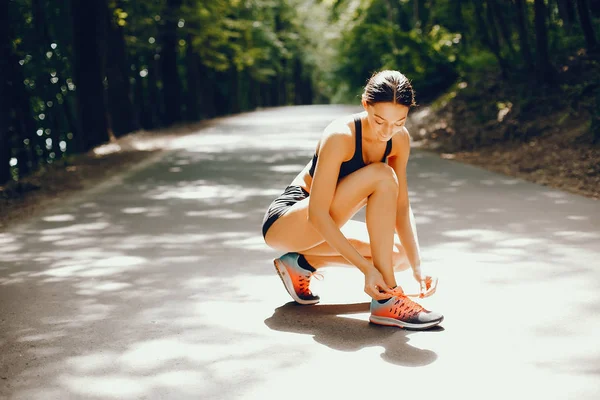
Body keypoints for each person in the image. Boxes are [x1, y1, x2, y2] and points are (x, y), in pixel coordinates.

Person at [261, 70, 443, 330]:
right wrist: (366, 271)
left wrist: (418, 266)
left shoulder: (398, 140)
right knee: (382, 175)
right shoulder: (341, 136)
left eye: (398, 122)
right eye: (379, 121)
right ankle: (387, 300)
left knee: (398, 256)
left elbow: (401, 207)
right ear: (365, 105)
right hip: (289, 221)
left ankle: (301, 263)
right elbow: (317, 215)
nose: (387, 131)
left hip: (322, 223)